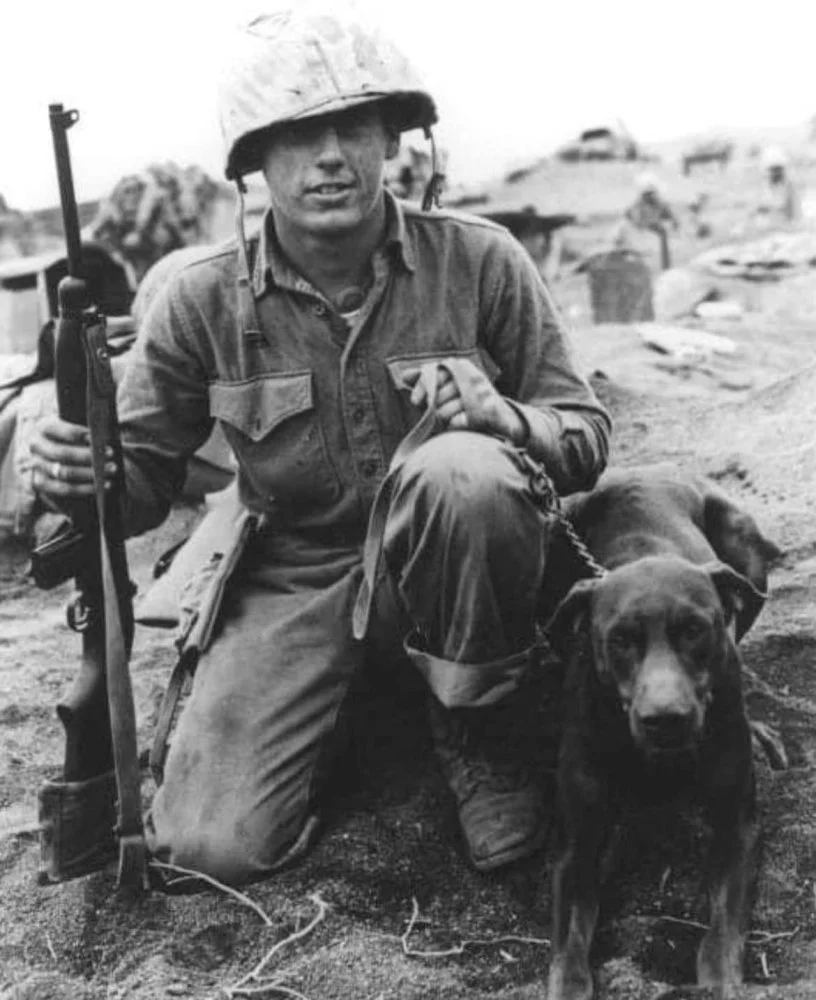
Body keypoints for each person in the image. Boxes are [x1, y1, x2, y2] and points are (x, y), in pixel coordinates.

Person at [30, 6, 611, 886]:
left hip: (452, 567)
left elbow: (586, 436)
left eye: (352, 128)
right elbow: (140, 485)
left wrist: (506, 420)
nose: (329, 157)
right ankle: (348, 716)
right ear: (256, 162)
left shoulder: (483, 262)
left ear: (393, 140)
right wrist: (80, 470)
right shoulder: (195, 300)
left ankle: (476, 728)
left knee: (466, 474)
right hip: (295, 580)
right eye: (298, 135)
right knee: (207, 849)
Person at [622, 171, 679, 270]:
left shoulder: (660, 204)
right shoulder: (637, 206)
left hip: (655, 245)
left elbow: (671, 217)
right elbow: (633, 220)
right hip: (641, 242)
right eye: (647, 194)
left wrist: (673, 222)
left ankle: (665, 268)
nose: (650, 196)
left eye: (651, 193)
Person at [756, 146, 800, 227]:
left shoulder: (789, 186)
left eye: (778, 169)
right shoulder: (765, 185)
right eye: (773, 170)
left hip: (786, 224)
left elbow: (793, 211)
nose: (775, 173)